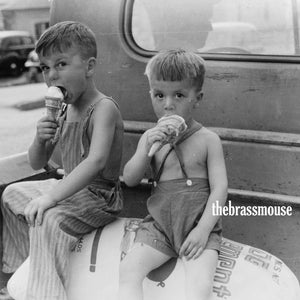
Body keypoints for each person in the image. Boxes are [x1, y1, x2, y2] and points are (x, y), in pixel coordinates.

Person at [0, 21, 124, 300]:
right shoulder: (64, 110)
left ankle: (47, 294)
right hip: (69, 189)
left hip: (98, 197)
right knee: (11, 194)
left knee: (48, 218)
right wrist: (40, 139)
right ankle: (22, 269)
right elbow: (36, 162)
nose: (51, 75)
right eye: (45, 68)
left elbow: (96, 163)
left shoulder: (103, 108)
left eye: (61, 64)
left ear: (89, 67)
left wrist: (50, 198)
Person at [118, 49, 227, 300]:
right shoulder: (149, 138)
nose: (168, 104)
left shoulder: (209, 140)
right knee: (128, 270)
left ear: (197, 98)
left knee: (200, 286)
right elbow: (131, 179)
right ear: (151, 95)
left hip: (198, 226)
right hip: (160, 228)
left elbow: (220, 189)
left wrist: (203, 230)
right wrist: (145, 149)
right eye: (159, 95)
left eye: (179, 95)